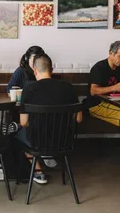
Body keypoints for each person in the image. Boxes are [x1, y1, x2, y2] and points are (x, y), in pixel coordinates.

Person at [16, 53, 82, 184]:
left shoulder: (29, 89)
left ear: (35, 70)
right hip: (63, 141)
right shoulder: (68, 88)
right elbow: (79, 119)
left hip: (37, 141)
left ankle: (38, 171)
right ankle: (47, 154)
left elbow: (24, 122)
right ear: (52, 69)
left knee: (16, 133)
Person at [87, 41, 120, 125]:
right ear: (111, 53)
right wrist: (115, 87)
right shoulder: (99, 68)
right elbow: (93, 91)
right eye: (119, 56)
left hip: (114, 103)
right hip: (96, 105)